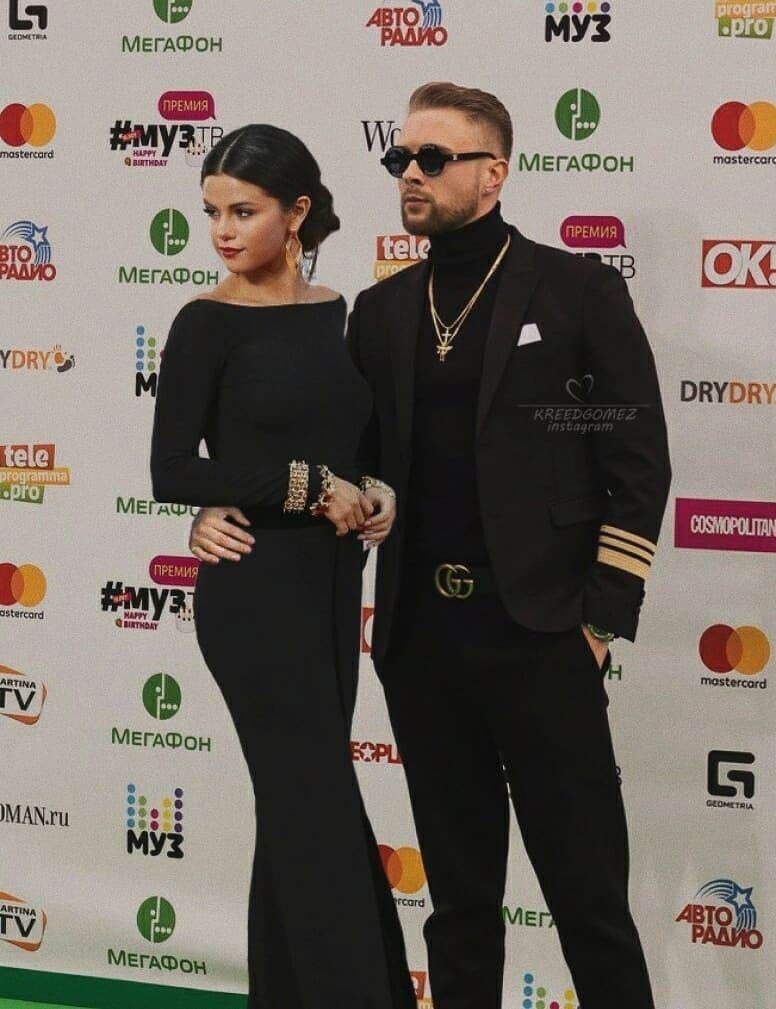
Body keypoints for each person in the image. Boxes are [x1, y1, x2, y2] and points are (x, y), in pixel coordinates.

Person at [190, 84, 672, 1009]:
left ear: (493, 174)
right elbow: (340, 464)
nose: (410, 173)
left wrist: (599, 622)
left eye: (434, 158)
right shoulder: (378, 311)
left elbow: (637, 463)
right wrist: (214, 504)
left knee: (589, 906)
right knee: (457, 907)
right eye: (401, 158)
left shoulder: (574, 291)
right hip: (421, 644)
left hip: (542, 637)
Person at [150, 124, 413, 1009]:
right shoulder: (204, 322)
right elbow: (172, 469)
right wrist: (304, 486)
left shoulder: (343, 313)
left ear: (296, 212)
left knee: (302, 806)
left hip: (333, 591)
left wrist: (373, 488)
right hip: (254, 590)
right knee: (315, 802)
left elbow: (363, 442)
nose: (222, 231)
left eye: (244, 211)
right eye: (211, 212)